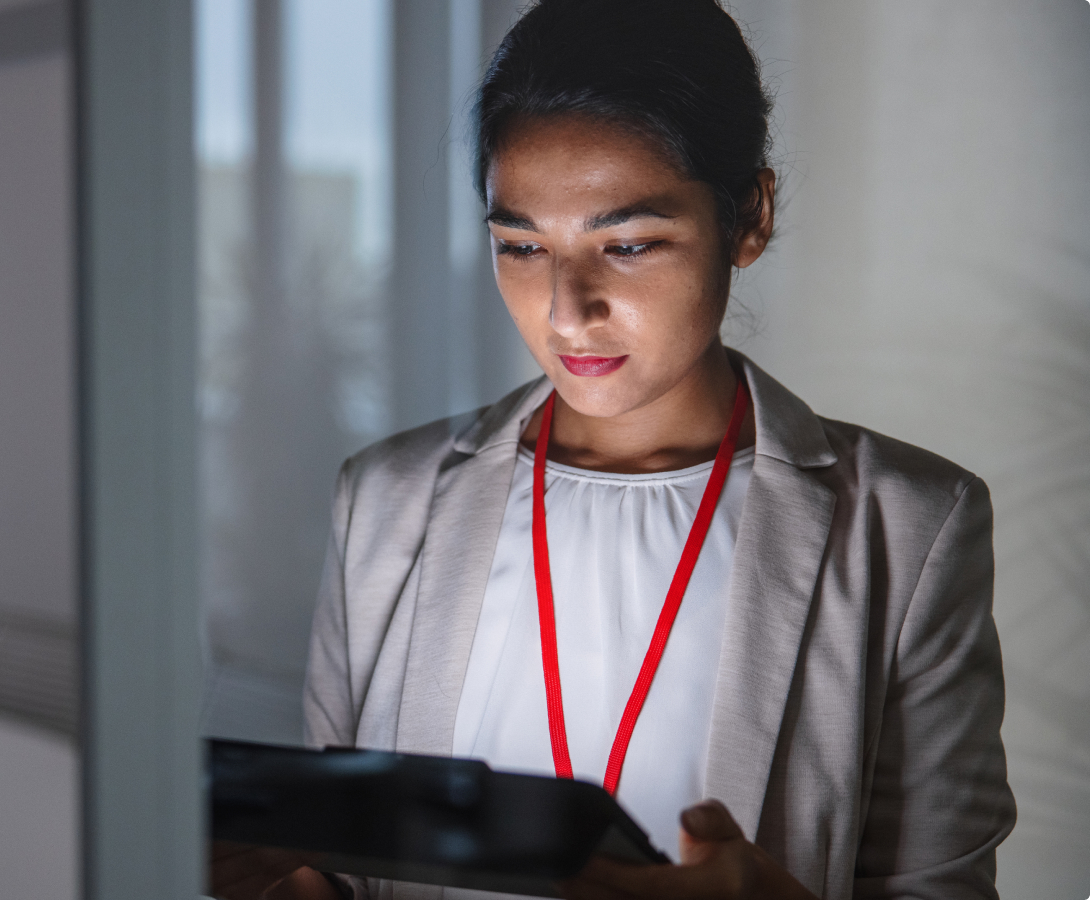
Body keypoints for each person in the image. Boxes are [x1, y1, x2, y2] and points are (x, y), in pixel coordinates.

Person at [210, 1, 1015, 898]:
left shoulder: (907, 527)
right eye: (520, 246)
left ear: (750, 215)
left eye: (627, 244)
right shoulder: (386, 498)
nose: (566, 311)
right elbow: (345, 867)